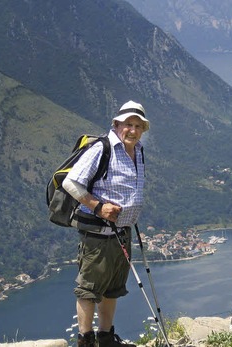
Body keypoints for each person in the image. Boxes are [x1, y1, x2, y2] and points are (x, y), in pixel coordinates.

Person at [63, 100, 149, 347]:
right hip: (98, 234)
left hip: (122, 232)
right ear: (116, 124)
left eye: (138, 125)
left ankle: (106, 337)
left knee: (113, 287)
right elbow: (71, 183)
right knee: (89, 289)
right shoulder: (103, 148)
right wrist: (98, 206)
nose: (132, 130)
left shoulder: (138, 150)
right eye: (128, 124)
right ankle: (85, 340)